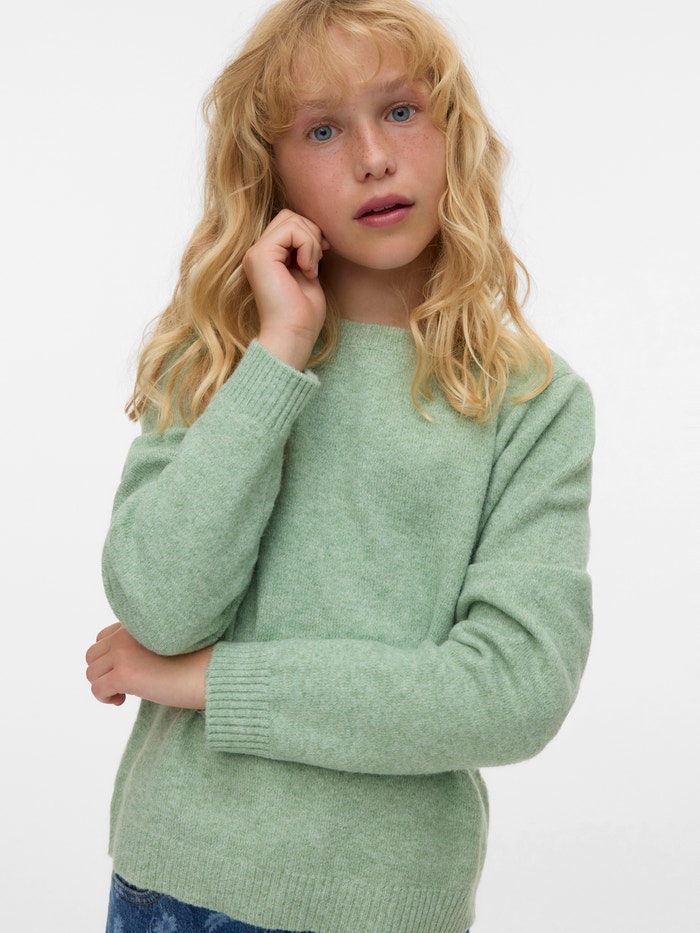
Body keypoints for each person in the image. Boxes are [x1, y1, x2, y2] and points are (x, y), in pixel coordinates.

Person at [85, 1, 594, 931]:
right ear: (270, 168)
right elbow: (159, 607)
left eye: (400, 110)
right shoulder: (219, 356)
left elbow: (512, 691)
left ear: (453, 130)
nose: (373, 157)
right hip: (178, 886)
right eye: (322, 129)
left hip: (388, 907)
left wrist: (207, 681)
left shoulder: (532, 401)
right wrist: (279, 352)